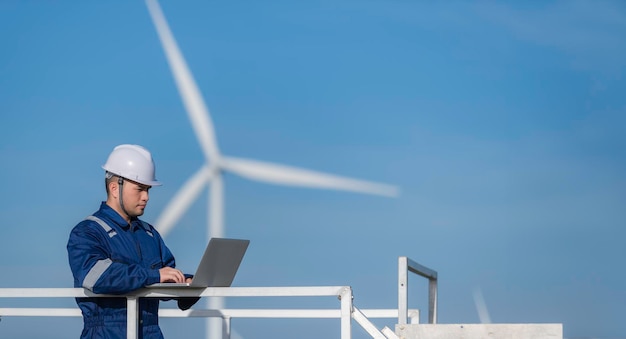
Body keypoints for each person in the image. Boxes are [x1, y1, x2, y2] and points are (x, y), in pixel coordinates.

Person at [67, 144, 197, 339]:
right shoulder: (87, 232)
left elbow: (163, 278)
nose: (146, 197)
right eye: (140, 189)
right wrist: (154, 276)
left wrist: (187, 283)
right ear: (114, 188)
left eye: (148, 190)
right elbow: (96, 277)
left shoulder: (149, 234)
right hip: (107, 333)